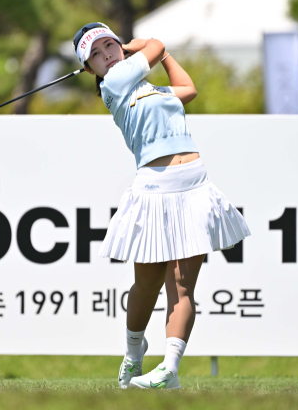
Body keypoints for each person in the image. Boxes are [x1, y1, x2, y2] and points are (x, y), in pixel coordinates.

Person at [72, 22, 252, 390]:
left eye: (110, 45)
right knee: (147, 284)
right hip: (154, 190)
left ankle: (169, 369)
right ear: (91, 69)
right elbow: (154, 44)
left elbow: (188, 89)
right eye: (97, 54)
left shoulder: (151, 89)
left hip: (194, 185)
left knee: (182, 289)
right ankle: (133, 354)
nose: (107, 54)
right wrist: (138, 46)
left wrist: (166, 55)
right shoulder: (114, 84)